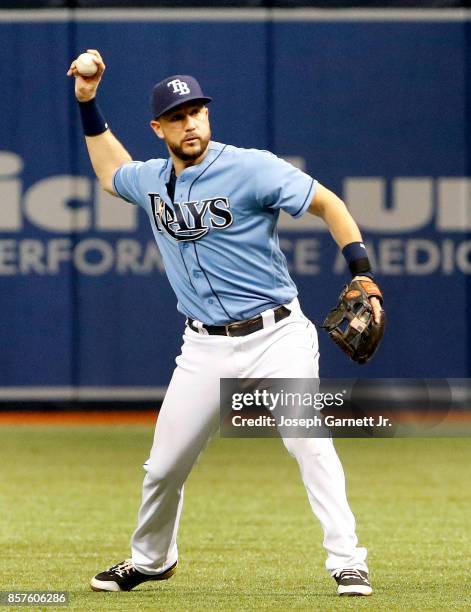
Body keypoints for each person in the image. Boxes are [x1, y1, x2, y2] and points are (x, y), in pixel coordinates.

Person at [67, 49, 382, 597]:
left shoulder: (251, 166)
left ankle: (347, 561)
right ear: (158, 127)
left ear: (207, 116)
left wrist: (363, 272)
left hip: (277, 335)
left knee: (308, 440)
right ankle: (151, 559)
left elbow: (328, 204)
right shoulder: (151, 180)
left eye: (198, 112)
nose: (191, 123)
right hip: (204, 347)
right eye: (178, 117)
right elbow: (111, 171)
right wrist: (88, 102)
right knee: (164, 466)